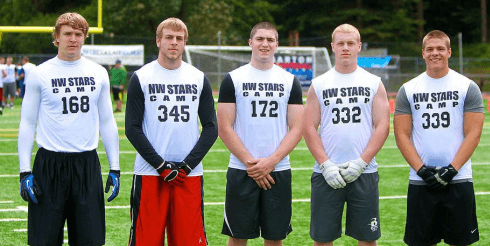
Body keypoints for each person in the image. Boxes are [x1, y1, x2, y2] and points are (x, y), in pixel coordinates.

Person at [17, 12, 120, 246]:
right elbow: (27, 122)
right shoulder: (40, 73)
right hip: (49, 165)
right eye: (67, 34)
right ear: (56, 37)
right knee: (43, 240)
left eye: (78, 34)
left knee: (90, 240)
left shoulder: (98, 72)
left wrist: (115, 167)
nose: (72, 39)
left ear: (84, 38)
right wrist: (24, 170)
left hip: (86, 165)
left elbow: (106, 121)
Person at [125, 17, 217, 246]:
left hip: (189, 175)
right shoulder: (142, 77)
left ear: (185, 43)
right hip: (150, 173)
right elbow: (132, 128)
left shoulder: (198, 78)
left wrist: (186, 166)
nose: (174, 43)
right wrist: (160, 165)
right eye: (169, 37)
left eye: (179, 38)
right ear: (158, 41)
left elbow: (211, 128)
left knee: (188, 241)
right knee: (145, 242)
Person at [394, 30, 484, 246]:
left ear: (449, 52)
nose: (435, 53)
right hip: (420, 180)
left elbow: (474, 133)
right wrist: (422, 170)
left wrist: (452, 169)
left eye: (440, 48)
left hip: (459, 178)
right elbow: (401, 134)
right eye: (430, 49)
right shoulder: (408, 89)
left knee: (460, 242)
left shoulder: (467, 87)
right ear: (423, 53)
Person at [303, 23, 390, 246]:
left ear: (359, 46)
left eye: (350, 43)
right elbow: (309, 127)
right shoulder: (319, 84)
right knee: (322, 240)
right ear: (332, 46)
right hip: (326, 172)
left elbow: (382, 125)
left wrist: (362, 162)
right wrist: (325, 164)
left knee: (367, 239)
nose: (345, 48)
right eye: (340, 43)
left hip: (364, 172)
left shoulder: (373, 83)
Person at [218, 22, 304, 246]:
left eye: (270, 40)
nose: (264, 44)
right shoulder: (233, 78)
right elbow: (224, 127)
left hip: (278, 170)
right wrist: (252, 164)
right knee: (237, 236)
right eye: (259, 39)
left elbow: (297, 128)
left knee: (274, 237)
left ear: (276, 44)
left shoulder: (289, 81)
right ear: (250, 43)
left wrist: (271, 162)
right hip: (241, 169)